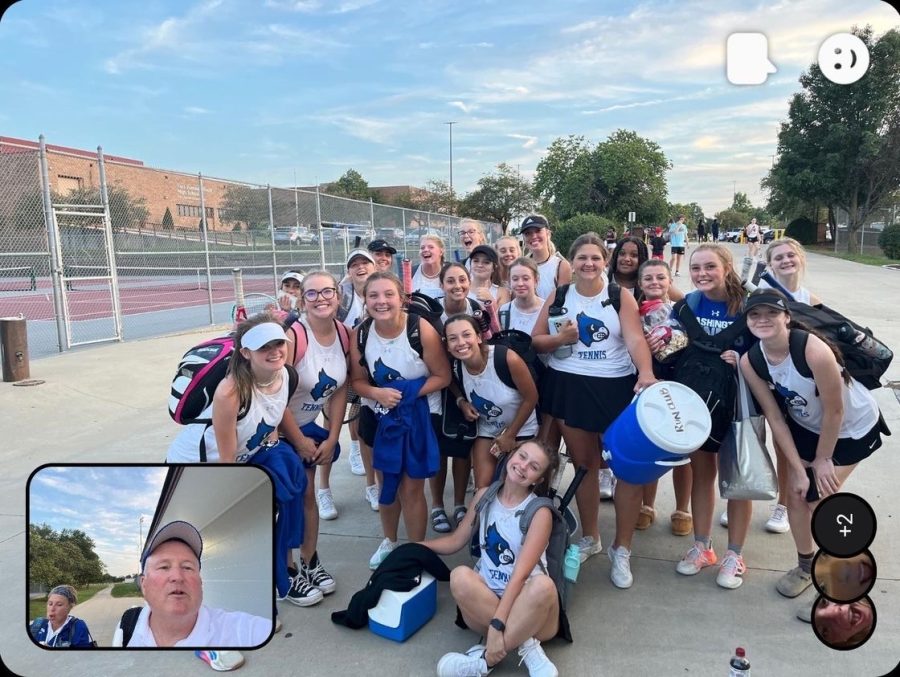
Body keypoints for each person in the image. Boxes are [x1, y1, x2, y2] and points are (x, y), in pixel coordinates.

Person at [738, 289, 887, 609]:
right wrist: (796, 468)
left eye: (771, 313)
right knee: (795, 492)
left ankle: (843, 579)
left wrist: (822, 460)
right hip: (805, 426)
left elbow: (836, 410)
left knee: (820, 499)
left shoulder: (813, 350)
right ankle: (806, 566)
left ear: (787, 317)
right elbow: (776, 418)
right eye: (755, 314)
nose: (763, 320)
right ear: (747, 321)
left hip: (852, 428)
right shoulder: (750, 361)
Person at [532, 233, 656, 566]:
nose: (588, 264)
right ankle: (591, 538)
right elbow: (537, 342)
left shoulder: (620, 296)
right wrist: (561, 338)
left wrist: (645, 371)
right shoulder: (559, 295)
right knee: (584, 466)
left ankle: (622, 549)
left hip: (614, 388)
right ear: (571, 262)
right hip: (568, 387)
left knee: (626, 469)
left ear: (605, 261)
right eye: (582, 258)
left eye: (595, 258)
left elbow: (635, 338)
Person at [427, 440, 563, 677]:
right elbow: (455, 540)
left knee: (543, 585)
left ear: (538, 480)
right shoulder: (484, 495)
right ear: (511, 456)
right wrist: (414, 548)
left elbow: (521, 575)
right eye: (522, 456)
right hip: (485, 602)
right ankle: (525, 644)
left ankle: (483, 661)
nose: (522, 466)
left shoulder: (540, 512)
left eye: (533, 467)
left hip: (533, 611)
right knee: (459, 575)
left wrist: (498, 624)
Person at [350, 272, 451, 569]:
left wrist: (406, 392)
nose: (381, 301)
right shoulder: (361, 333)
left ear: (401, 298)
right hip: (378, 417)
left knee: (411, 489)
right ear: (365, 300)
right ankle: (390, 540)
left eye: (388, 295)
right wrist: (377, 393)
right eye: (374, 296)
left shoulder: (420, 330)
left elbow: (442, 376)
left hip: (417, 417)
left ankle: (416, 550)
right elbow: (357, 381)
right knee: (387, 487)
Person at [669, 244, 754, 590]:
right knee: (702, 473)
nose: (702, 274)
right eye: (696, 268)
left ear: (727, 267)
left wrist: (744, 359)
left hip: (738, 402)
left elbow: (770, 342)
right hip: (699, 401)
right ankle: (702, 546)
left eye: (710, 267)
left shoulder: (750, 304)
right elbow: (671, 346)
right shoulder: (688, 304)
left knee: (737, 480)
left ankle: (735, 553)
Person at [277, 271, 350, 606]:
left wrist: (333, 437)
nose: (321, 298)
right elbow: (273, 396)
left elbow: (339, 388)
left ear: (338, 295)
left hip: (306, 426)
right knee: (292, 497)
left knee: (307, 495)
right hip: (275, 428)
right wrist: (300, 441)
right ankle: (287, 572)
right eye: (312, 294)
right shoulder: (293, 337)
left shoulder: (344, 335)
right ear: (302, 300)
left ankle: (308, 560)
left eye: (327, 292)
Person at [746, 237, 822, 535]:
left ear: (801, 259)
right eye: (778, 257)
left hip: (795, 385)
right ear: (770, 263)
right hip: (761, 376)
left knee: (784, 447)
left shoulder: (811, 299)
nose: (786, 261)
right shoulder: (760, 292)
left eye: (791, 255)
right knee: (752, 439)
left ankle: (783, 506)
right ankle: (742, 498)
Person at [118, 521, 271, 650]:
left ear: (200, 582)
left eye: (187, 567)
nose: (177, 577)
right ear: (144, 584)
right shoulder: (127, 627)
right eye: (164, 567)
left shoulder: (242, 632)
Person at [167, 316, 299, 464]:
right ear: (246, 353)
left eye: (279, 342)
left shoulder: (288, 376)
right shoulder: (230, 392)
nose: (275, 351)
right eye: (263, 346)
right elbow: (227, 461)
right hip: (195, 465)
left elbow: (270, 416)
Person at [445, 314, 539, 490]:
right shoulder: (455, 366)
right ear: (448, 346)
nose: (461, 342)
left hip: (523, 426)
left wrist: (511, 435)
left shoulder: (506, 358)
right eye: (453, 338)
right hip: (489, 427)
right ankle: (482, 516)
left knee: (516, 487)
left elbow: (531, 397)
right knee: (483, 487)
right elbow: (448, 380)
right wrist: (461, 402)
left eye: (467, 335)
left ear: (479, 337)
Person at [634, 259, 693, 537]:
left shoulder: (684, 309)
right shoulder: (633, 312)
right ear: (640, 283)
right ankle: (647, 505)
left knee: (684, 449)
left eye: (661, 278)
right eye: (648, 279)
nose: (655, 283)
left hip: (682, 381)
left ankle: (683, 508)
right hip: (649, 380)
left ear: (670, 281)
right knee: (650, 445)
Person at [429, 262, 485, 533]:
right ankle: (437, 505)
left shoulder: (478, 310)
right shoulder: (431, 314)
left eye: (462, 280)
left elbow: (489, 346)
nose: (457, 286)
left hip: (470, 386)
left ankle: (460, 503)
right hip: (440, 387)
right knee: (439, 449)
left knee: (463, 447)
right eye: (450, 281)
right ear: (441, 285)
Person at [521, 214, 572, 302]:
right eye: (527, 233)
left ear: (548, 233)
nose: (533, 236)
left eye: (538, 231)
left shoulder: (561, 266)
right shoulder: (520, 267)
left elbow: (561, 302)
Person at [29, 585, 95, 648]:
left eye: (59, 605)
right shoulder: (38, 623)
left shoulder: (78, 626)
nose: (52, 609)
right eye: (50, 604)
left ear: (70, 607)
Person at [497, 257, 544, 335]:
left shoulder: (546, 310)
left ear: (536, 281)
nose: (520, 284)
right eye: (515, 279)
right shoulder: (503, 312)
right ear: (509, 282)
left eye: (525, 279)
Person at [411, 234, 446, 299]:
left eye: (431, 247)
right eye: (422, 248)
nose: (425, 250)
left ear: (441, 252)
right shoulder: (410, 273)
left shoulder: (449, 272)